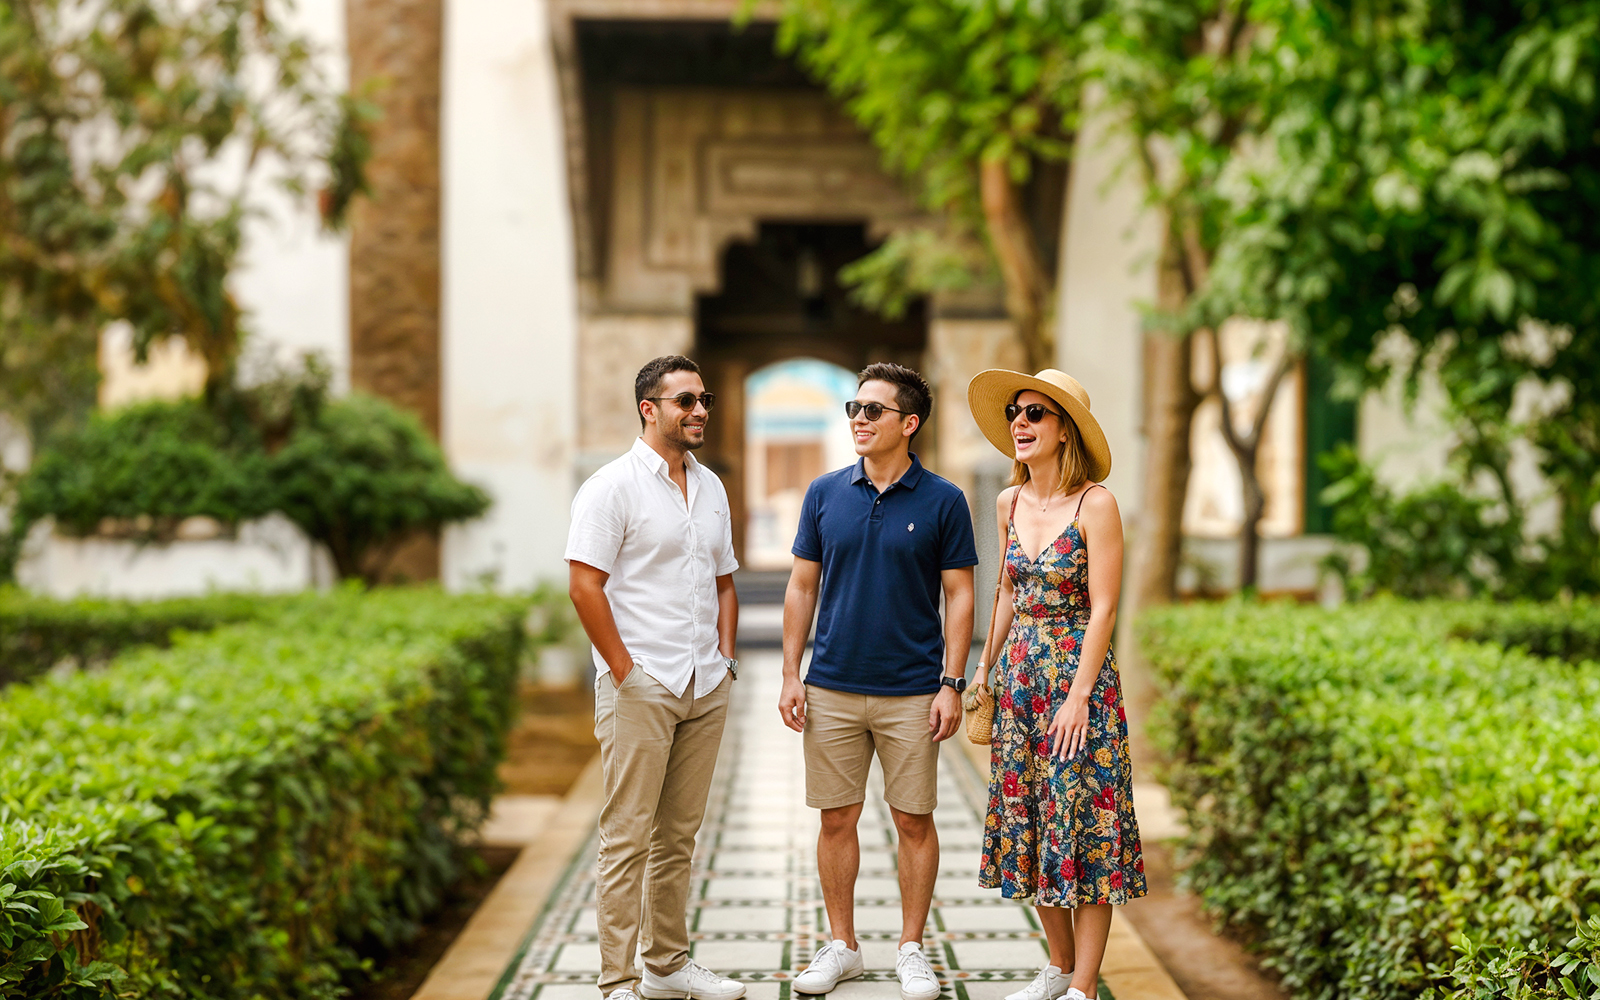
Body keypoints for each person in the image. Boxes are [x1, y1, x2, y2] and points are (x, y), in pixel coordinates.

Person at [778, 362, 978, 1000]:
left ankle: (912, 948)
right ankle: (843, 946)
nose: (859, 421)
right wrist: (790, 673)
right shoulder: (824, 492)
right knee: (835, 819)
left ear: (909, 423)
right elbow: (801, 585)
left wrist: (952, 681)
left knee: (913, 820)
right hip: (831, 685)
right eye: (854, 410)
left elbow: (961, 594)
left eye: (873, 410)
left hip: (914, 690)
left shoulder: (944, 499)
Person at [566, 355, 746, 1000]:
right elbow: (585, 585)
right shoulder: (610, 487)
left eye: (705, 400)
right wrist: (624, 670)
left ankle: (667, 965)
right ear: (650, 408)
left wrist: (725, 659)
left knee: (678, 835)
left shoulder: (712, 487)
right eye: (685, 401)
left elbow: (725, 581)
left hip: (703, 682)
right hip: (641, 685)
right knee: (626, 836)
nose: (699, 411)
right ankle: (617, 982)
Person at [965, 368, 1146, 1000]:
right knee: (1029, 823)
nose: (1020, 422)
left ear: (1064, 429)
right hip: (1019, 682)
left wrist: (1077, 698)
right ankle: (1057, 967)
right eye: (1016, 410)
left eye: (1036, 413)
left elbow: (1105, 609)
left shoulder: (1097, 504)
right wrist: (984, 666)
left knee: (1087, 828)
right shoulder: (1006, 502)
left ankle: (1084, 987)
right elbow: (1008, 590)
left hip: (1080, 685)